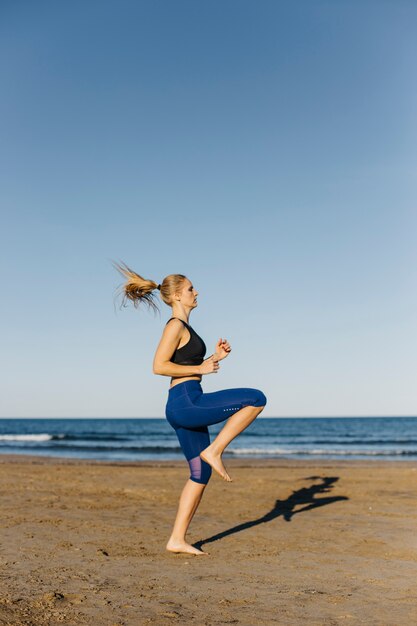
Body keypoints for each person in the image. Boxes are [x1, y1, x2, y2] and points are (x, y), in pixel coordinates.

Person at [113, 262, 267, 556]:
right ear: (178, 296)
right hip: (187, 401)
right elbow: (158, 366)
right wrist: (203, 367)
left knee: (199, 474)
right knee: (256, 398)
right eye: (191, 289)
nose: (196, 292)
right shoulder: (175, 325)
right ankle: (216, 451)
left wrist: (214, 357)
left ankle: (177, 540)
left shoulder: (185, 327)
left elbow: (184, 366)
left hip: (183, 402)